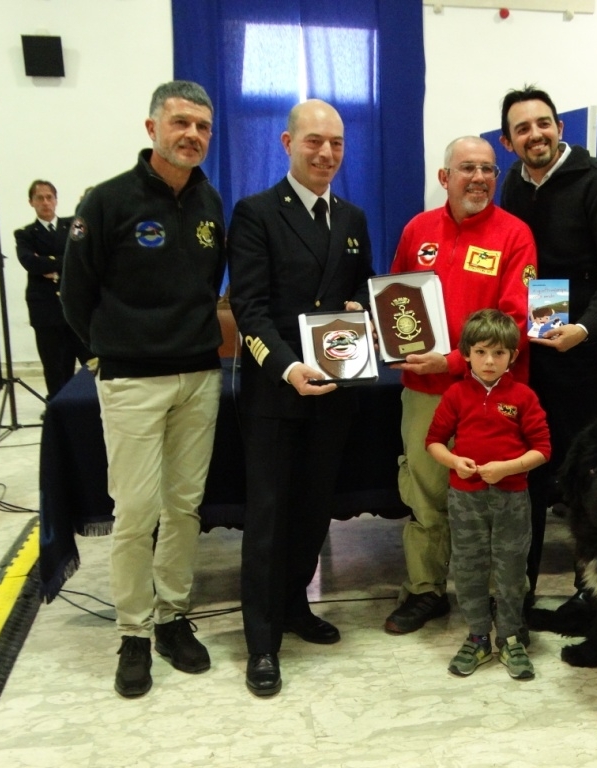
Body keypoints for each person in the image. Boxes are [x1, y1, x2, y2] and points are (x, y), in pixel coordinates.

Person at [60, 81, 226, 698]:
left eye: (203, 127)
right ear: (151, 127)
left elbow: (208, 283)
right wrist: (108, 351)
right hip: (131, 380)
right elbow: (75, 295)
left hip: (199, 376)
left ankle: (173, 618)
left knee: (185, 506)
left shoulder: (209, 200)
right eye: (181, 123)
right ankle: (133, 631)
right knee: (134, 513)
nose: (192, 135)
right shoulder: (107, 202)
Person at [227, 99, 374, 697]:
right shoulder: (256, 212)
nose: (326, 153)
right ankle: (261, 641)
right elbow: (250, 308)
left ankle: (293, 606)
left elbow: (355, 298)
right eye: (314, 141)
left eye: (336, 143)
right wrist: (288, 368)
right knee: (268, 518)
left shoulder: (354, 217)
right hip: (276, 392)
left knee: (314, 510)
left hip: (333, 393)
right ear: (287, 142)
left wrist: (362, 316)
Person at [383, 136, 537, 635]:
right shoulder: (417, 230)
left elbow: (516, 323)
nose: (479, 178)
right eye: (467, 168)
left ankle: (497, 599)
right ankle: (426, 591)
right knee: (425, 494)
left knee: (491, 498)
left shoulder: (515, 236)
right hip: (423, 394)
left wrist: (450, 361)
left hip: (490, 397)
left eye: (489, 169)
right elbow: (395, 301)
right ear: (444, 178)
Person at [498, 86, 597, 619]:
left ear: (559, 127)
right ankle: (521, 591)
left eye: (544, 123)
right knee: (528, 474)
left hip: (580, 352)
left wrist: (584, 328)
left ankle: (590, 595)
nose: (536, 134)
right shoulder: (511, 183)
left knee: (585, 475)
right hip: (528, 357)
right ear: (509, 142)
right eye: (523, 128)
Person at [426, 309, 550, 680]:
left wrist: (507, 468)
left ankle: (511, 637)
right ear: (466, 353)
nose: (489, 361)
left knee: (512, 569)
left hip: (512, 498)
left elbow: (542, 449)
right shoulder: (456, 394)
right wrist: (454, 461)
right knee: (468, 568)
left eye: (499, 353)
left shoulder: (523, 397)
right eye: (481, 352)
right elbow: (433, 441)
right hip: (466, 498)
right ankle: (478, 635)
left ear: (513, 355)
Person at [14, 180, 91, 399]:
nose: (45, 202)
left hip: (76, 305)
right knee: (55, 364)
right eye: (40, 198)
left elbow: (82, 256)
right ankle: (57, 405)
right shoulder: (25, 234)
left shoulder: (74, 225)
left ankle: (94, 404)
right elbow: (30, 262)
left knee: (91, 359)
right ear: (31, 202)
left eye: (49, 197)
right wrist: (63, 262)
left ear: (56, 200)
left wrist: (51, 264)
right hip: (45, 308)